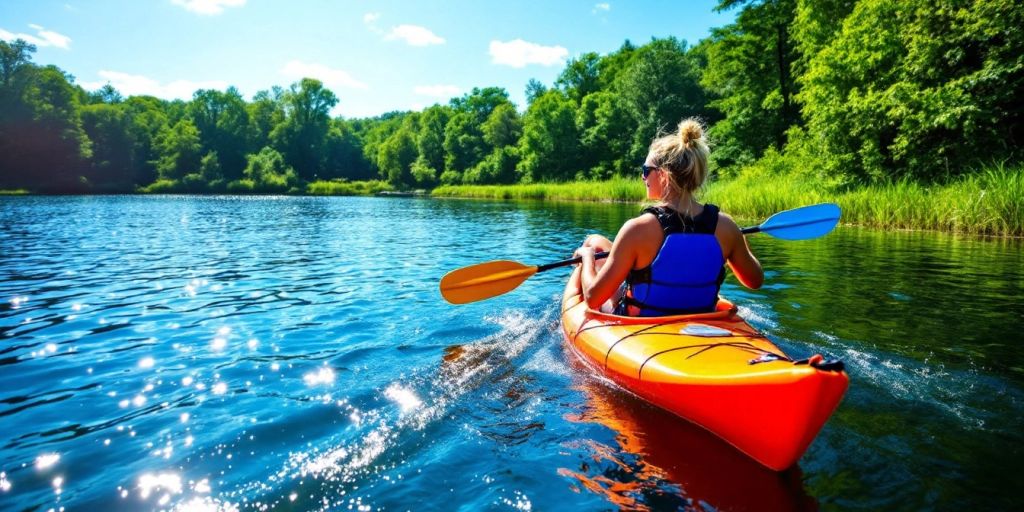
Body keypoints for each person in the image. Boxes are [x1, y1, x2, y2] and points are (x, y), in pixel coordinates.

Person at [569, 118, 763, 316]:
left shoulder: (637, 229)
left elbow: (593, 299)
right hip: (703, 316)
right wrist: (739, 240)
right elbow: (755, 281)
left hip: (643, 323)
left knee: (589, 250)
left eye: (646, 170)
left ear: (663, 175)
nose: (642, 177)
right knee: (595, 240)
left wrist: (587, 259)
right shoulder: (727, 226)